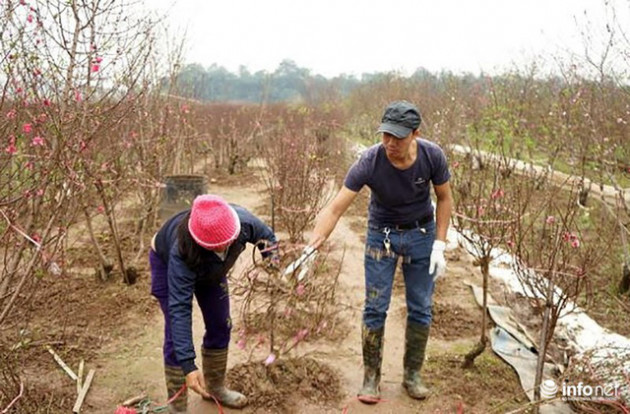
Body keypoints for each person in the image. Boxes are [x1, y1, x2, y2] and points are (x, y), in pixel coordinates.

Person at [307, 101, 452, 403]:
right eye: (385, 134)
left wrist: (440, 243)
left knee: (421, 306)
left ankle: (412, 374)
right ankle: (371, 376)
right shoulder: (370, 161)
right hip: (381, 236)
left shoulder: (432, 156)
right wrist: (313, 244)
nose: (389, 142)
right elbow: (336, 207)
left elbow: (445, 198)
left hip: (421, 234)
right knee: (375, 307)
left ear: (415, 133)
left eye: (397, 136)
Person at [149, 194, 279, 413]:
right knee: (175, 333)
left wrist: (273, 265)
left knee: (220, 324)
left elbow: (268, 239)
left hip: (212, 272)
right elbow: (179, 309)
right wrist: (189, 365)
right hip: (166, 263)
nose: (225, 250)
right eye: (218, 248)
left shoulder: (243, 221)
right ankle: (177, 407)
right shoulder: (181, 251)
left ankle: (216, 388)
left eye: (228, 245)